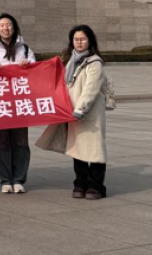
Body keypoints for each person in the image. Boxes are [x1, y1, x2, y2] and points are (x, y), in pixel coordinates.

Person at [0, 13, 36, 194]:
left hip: (20, 102)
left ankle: (19, 178)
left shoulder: (25, 48)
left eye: (9, 25)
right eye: (2, 25)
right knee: (1, 141)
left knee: (21, 141)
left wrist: (29, 64)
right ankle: (5, 179)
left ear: (14, 28)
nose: (5, 28)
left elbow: (36, 69)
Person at [62, 24, 107, 200]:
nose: (79, 42)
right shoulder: (70, 61)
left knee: (95, 150)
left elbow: (91, 89)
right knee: (78, 151)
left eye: (82, 39)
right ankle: (80, 183)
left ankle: (96, 186)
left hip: (89, 114)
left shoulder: (94, 63)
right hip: (72, 114)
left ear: (90, 41)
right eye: (76, 39)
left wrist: (80, 109)